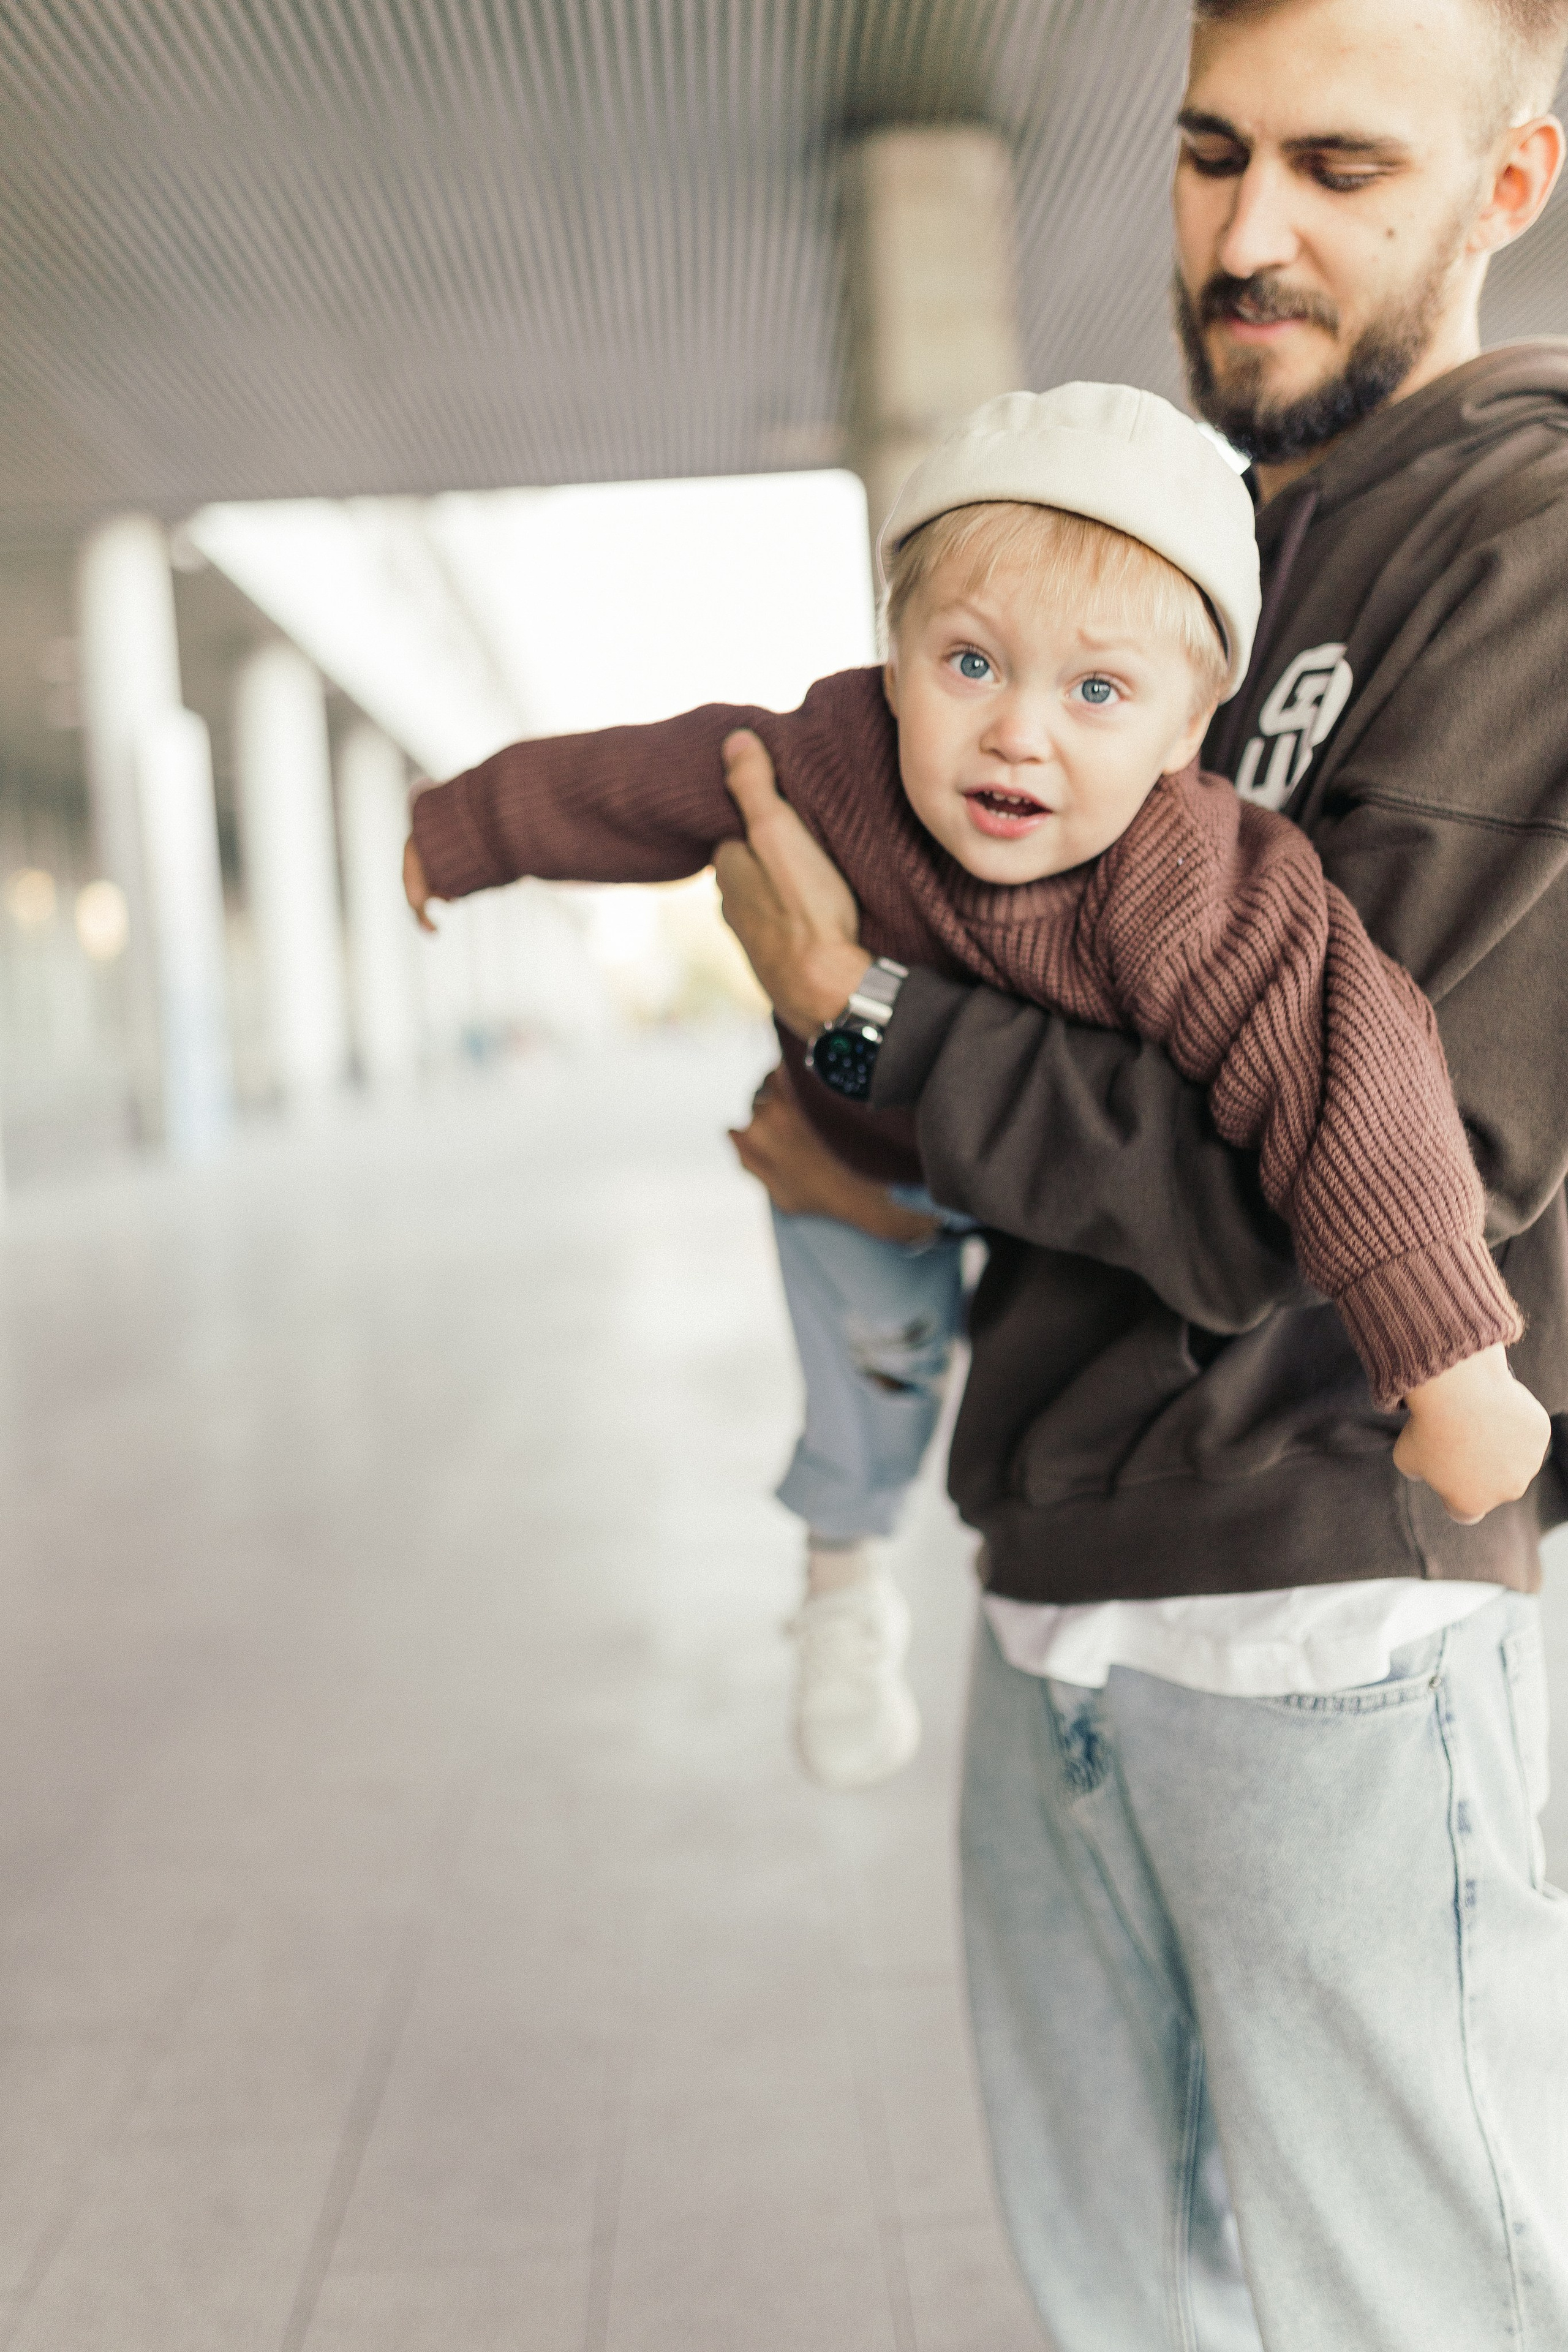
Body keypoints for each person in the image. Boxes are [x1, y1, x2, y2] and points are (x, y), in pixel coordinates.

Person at [710, 0, 1568, 2343]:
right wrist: (871, 1129)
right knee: (1127, 2297)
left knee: (1420, 2304)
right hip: (1061, 1584)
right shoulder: (1200, 552)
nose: (1248, 235)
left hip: (1335, 1621)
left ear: (1508, 187)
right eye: (1209, 157)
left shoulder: (1531, 549)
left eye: (1339, 170)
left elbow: (1368, 1183)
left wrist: (873, 1033)